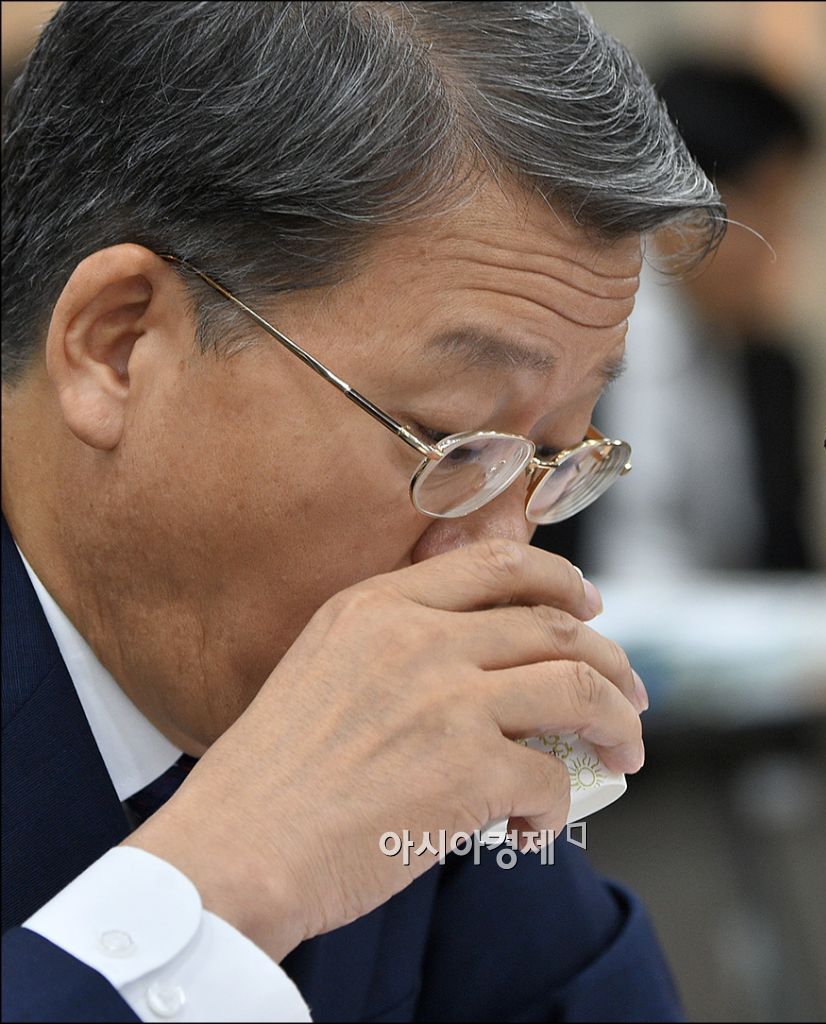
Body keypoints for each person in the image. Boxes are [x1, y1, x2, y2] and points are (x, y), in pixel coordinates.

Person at [1, 3, 723, 1020]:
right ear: (118, 347)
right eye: (449, 440)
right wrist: (223, 881)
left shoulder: (417, 716)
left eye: (555, 455)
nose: (497, 551)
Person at [535, 59, 819, 576]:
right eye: (767, 206)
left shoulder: (774, 371)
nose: (781, 244)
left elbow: (792, 561)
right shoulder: (563, 345)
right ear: (684, 199)